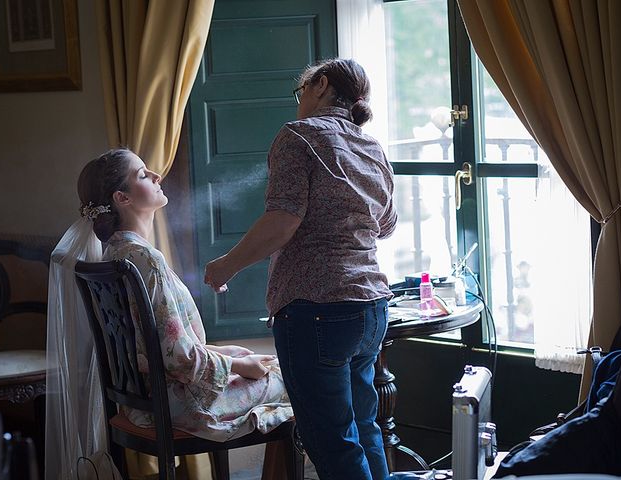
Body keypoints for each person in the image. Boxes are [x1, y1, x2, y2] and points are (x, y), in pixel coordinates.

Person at [45, 148, 293, 479]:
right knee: (294, 378)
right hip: (181, 405)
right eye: (143, 174)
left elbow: (151, 346)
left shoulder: (114, 256)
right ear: (122, 197)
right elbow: (178, 359)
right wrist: (237, 365)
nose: (156, 176)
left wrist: (223, 353)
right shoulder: (145, 261)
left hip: (140, 405)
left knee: (269, 363)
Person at [204, 58, 397, 480]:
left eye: (302, 92)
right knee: (365, 430)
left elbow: (282, 222)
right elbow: (386, 224)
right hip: (371, 309)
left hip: (317, 310)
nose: (299, 103)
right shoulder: (371, 146)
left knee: (332, 441)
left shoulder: (298, 137)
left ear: (321, 85)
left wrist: (226, 266)